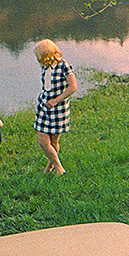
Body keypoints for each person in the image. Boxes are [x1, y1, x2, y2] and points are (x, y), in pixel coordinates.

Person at [33, 38, 78, 174]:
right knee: (43, 141)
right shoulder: (45, 67)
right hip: (44, 108)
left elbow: (73, 87)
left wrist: (56, 100)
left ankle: (51, 167)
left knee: (53, 141)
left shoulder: (65, 66)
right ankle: (59, 167)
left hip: (58, 109)